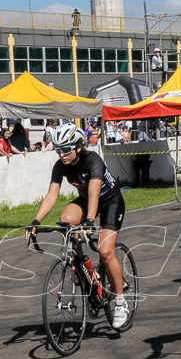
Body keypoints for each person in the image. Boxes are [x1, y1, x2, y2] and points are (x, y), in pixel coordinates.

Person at [26, 124, 130, 329]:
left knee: (106, 251)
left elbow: (94, 193)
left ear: (79, 146)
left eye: (66, 149)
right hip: (86, 200)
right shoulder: (61, 165)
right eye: (58, 150)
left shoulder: (93, 161)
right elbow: (52, 195)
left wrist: (90, 221)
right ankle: (88, 274)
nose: (62, 154)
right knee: (66, 221)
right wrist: (36, 221)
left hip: (110, 202)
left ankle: (120, 301)